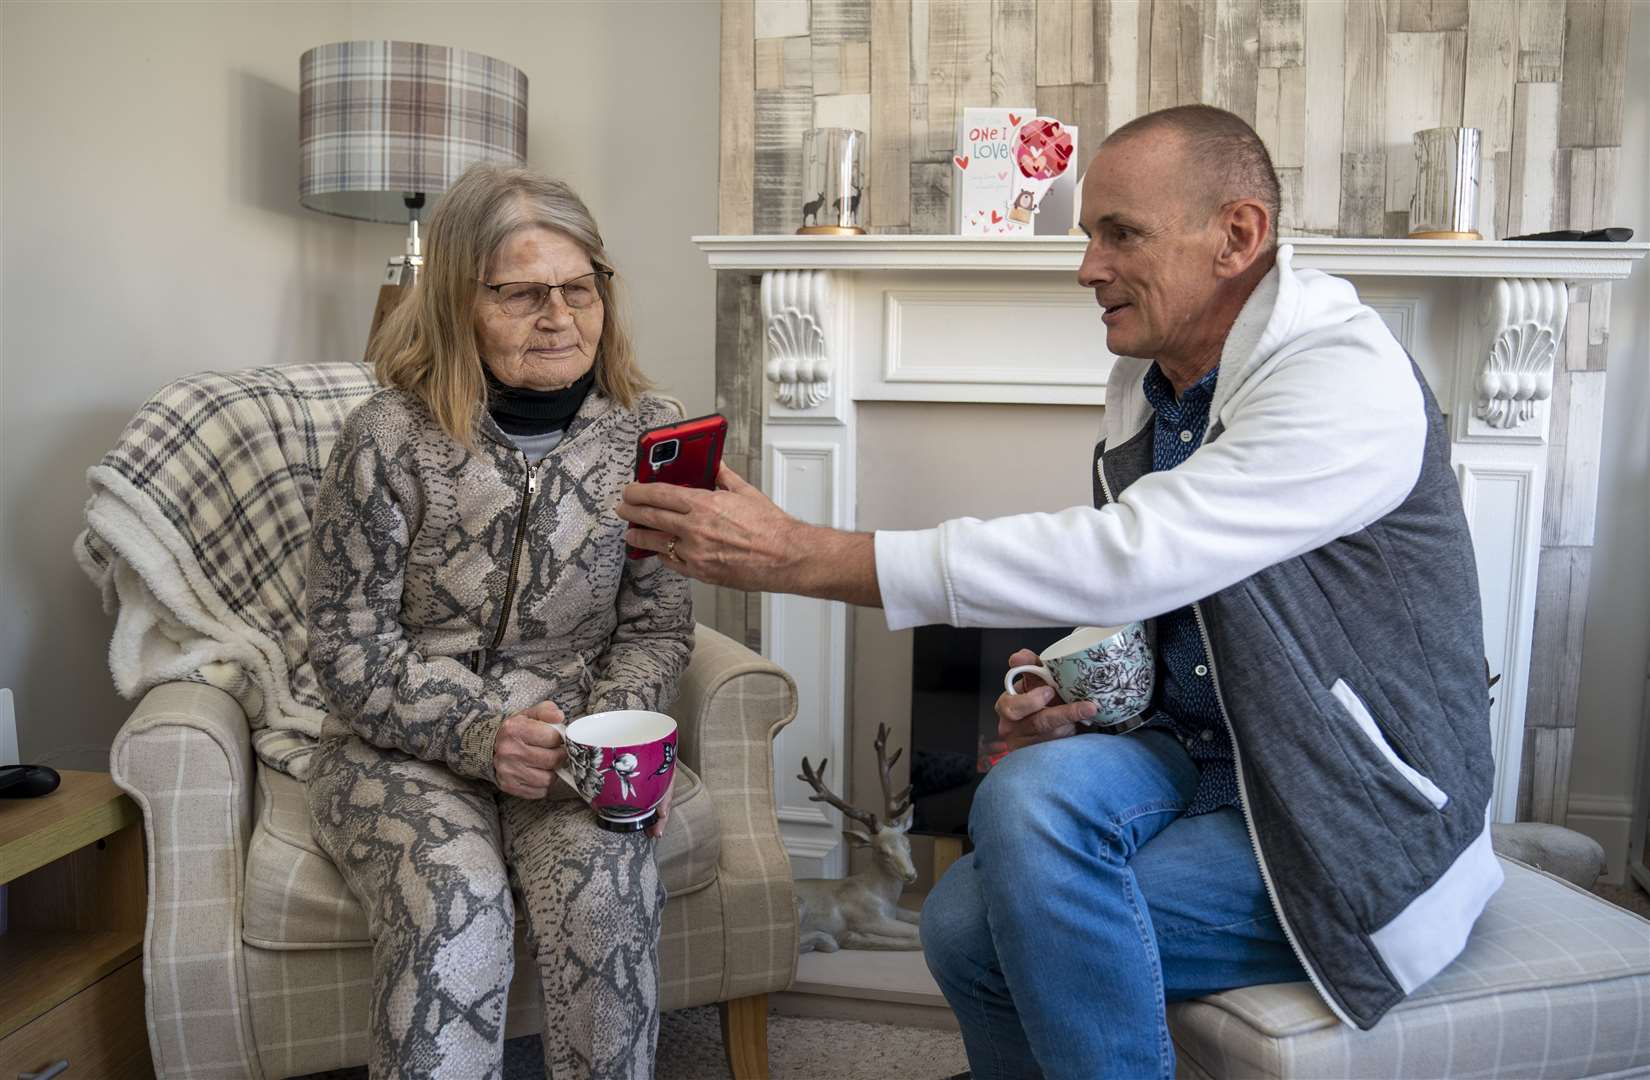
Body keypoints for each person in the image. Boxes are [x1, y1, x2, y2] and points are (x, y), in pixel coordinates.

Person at [617, 105, 1501, 1079]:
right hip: (1200, 759)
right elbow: (1163, 596)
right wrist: (1077, 677)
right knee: (1022, 796)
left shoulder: (1343, 376)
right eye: (1086, 234)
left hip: (1343, 814)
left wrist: (803, 554)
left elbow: (1134, 552)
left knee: (964, 925)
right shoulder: (1151, 386)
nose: (1086, 268)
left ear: (1238, 236)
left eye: (1120, 233)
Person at [305, 162, 693, 1079]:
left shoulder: (656, 436)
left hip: (572, 741)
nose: (559, 316)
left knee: (608, 886)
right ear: (455, 301)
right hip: (394, 747)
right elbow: (347, 643)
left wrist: (617, 737)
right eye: (521, 294)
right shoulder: (386, 437)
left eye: (578, 289)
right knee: (456, 902)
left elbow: (658, 624)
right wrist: (480, 732)